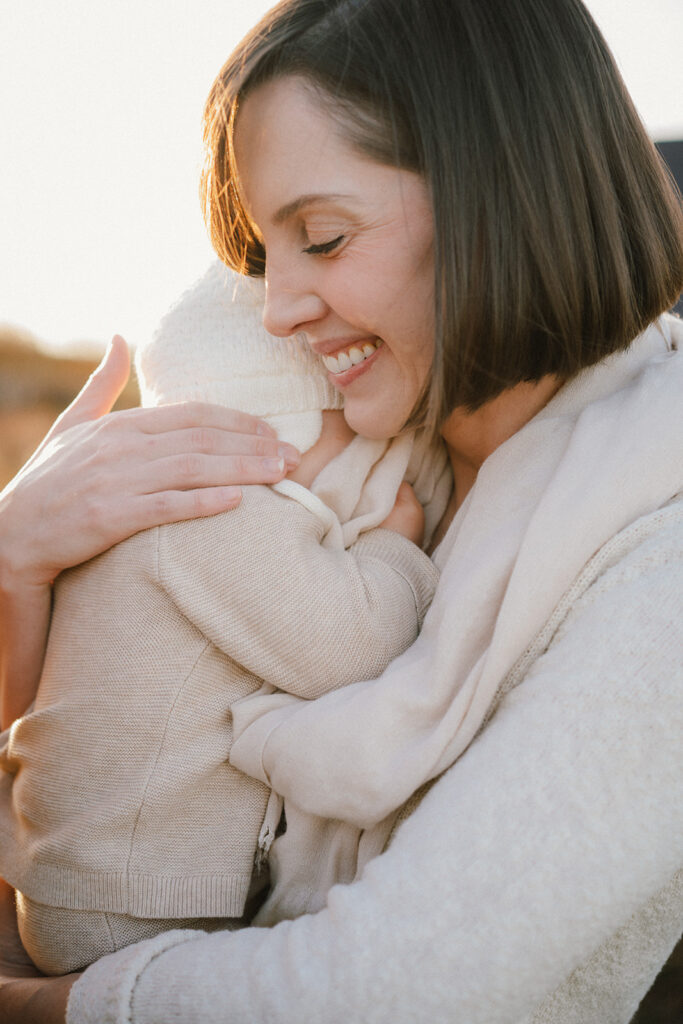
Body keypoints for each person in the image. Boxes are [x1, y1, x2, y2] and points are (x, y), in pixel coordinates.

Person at [0, 0, 682, 1021]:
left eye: (321, 237)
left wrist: (38, 1006)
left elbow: (388, 989)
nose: (276, 309)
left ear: (501, 192)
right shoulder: (342, 478)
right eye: (261, 254)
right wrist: (18, 567)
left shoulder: (652, 550)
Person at [0, 265, 448, 975]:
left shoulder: (143, 512)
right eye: (357, 449)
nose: (376, 469)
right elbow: (350, 646)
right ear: (272, 436)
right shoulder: (213, 508)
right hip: (132, 907)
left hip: (80, 884)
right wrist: (394, 549)